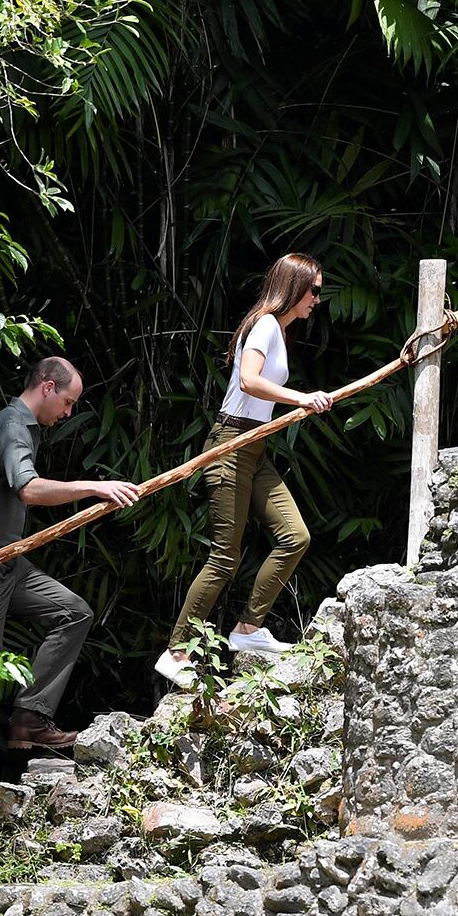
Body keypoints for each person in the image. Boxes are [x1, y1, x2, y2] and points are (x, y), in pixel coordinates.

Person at [0, 356, 140, 820]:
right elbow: (28, 488)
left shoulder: (26, 427)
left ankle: (30, 718)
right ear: (46, 387)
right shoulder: (12, 426)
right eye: (67, 402)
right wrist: (95, 488)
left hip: (8, 562)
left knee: (73, 612)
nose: (67, 412)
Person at [157, 253, 331, 688]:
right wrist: (302, 398)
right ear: (294, 287)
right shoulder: (268, 324)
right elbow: (251, 382)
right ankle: (175, 651)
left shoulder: (279, 331)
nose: (317, 300)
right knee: (224, 556)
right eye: (314, 290)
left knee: (295, 537)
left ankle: (248, 630)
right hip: (230, 444)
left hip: (254, 446)